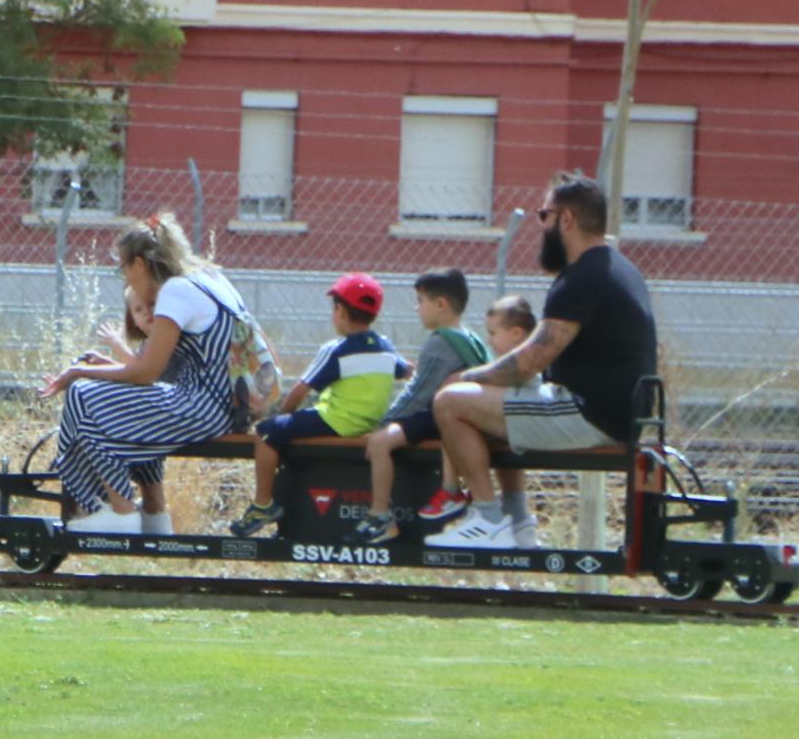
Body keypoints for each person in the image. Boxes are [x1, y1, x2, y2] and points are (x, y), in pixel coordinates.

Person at [428, 173, 658, 550]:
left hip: (591, 415)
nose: (541, 226)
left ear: (566, 219)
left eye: (543, 215)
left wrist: (467, 376)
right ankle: (518, 522)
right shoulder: (617, 267)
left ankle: (487, 521)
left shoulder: (582, 278)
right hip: (615, 410)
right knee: (496, 403)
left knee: (451, 402)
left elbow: (529, 362)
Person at [41, 220, 246, 536]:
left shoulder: (176, 290)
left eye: (123, 269)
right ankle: (153, 514)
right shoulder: (208, 279)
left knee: (83, 392)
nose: (126, 279)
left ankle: (117, 511)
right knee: (127, 403)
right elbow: (154, 372)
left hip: (206, 408)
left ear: (138, 263)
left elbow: (147, 373)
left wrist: (79, 371)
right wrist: (109, 367)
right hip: (225, 406)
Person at [252, 272, 407, 512]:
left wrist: (281, 419)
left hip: (335, 421)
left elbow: (299, 391)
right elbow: (406, 371)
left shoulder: (336, 349)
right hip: (369, 423)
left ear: (341, 312)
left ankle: (262, 504)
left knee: (265, 433)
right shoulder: (386, 347)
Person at [359, 268, 492, 522]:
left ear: (441, 304)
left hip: (442, 416)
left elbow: (418, 393)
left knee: (379, 444)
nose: (416, 308)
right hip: (470, 417)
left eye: (421, 301)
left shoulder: (440, 343)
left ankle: (379, 516)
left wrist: (386, 423)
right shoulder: (471, 337)